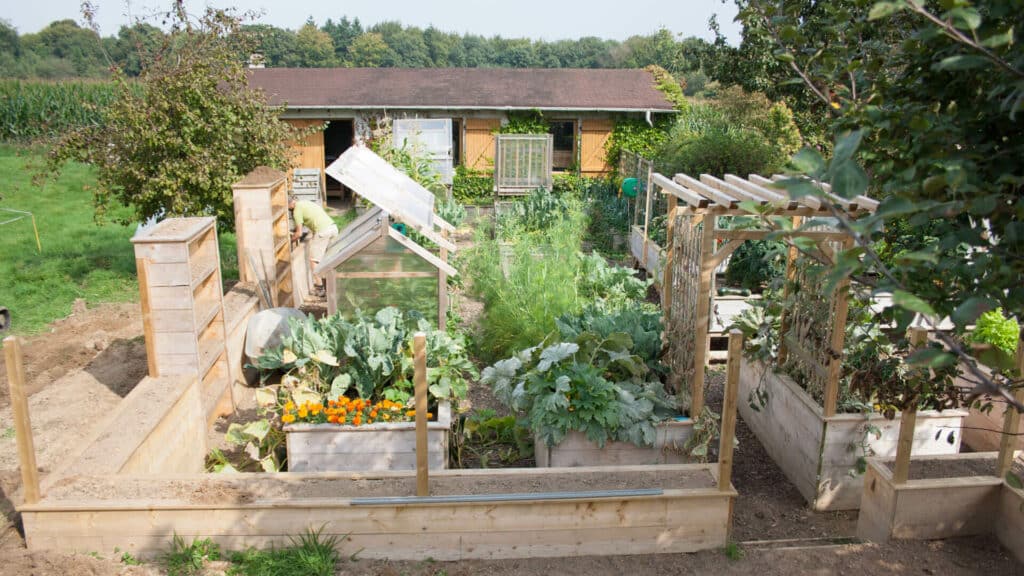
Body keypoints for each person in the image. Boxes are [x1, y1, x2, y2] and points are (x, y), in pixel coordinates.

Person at [289, 196, 338, 293]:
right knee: (328, 259)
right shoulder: (305, 202)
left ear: (290, 204)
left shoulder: (297, 210)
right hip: (333, 228)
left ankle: (320, 289)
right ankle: (332, 287)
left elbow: (298, 234)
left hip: (322, 232)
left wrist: (289, 241)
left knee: (314, 261)